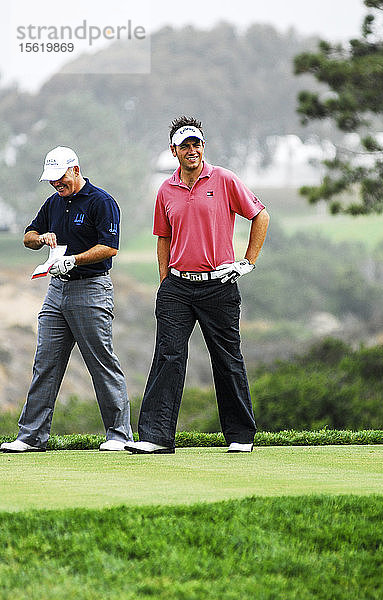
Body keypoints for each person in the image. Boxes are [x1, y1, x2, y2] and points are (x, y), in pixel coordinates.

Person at [125, 116, 269, 455]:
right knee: (168, 357)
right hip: (177, 285)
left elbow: (260, 215)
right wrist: (164, 282)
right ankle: (156, 437)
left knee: (227, 357)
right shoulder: (166, 190)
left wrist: (247, 261)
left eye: (197, 144)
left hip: (219, 283)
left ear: (203, 147)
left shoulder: (223, 179)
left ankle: (240, 436)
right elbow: (163, 238)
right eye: (186, 145)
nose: (192, 150)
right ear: (174, 151)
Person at [1, 146, 133, 453]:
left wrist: (73, 260)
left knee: (101, 362)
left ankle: (119, 434)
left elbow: (109, 247)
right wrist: (41, 238)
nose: (56, 184)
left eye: (60, 178)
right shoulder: (53, 203)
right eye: (51, 180)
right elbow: (27, 236)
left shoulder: (102, 202)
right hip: (56, 290)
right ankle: (31, 437)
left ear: (75, 169)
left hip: (91, 288)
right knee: (45, 362)